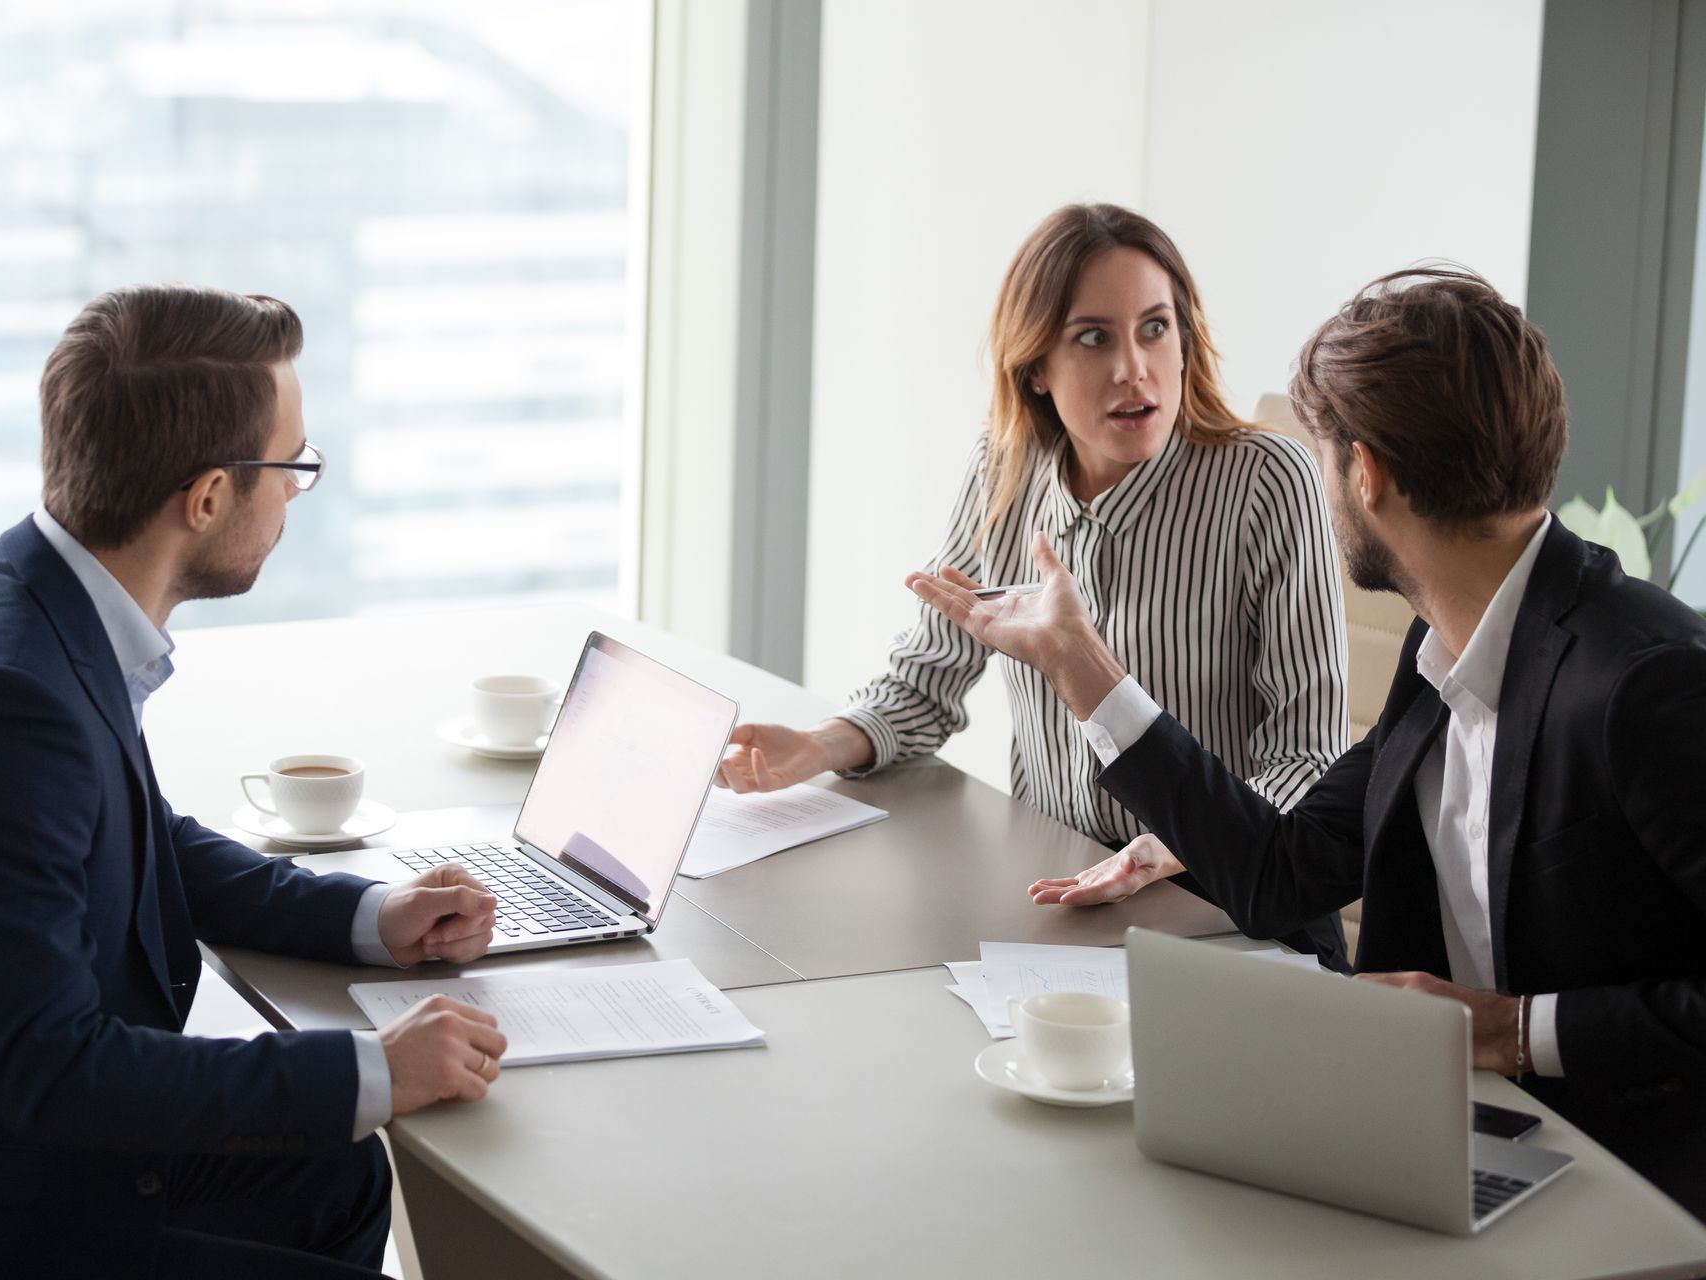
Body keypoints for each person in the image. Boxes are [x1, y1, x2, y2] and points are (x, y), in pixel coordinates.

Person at [909, 267, 1706, 1218]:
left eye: (1325, 460)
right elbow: (1283, 872)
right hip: (1445, 1138)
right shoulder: (1445, 643)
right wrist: (1083, 669)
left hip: (1630, 1192)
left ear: (1364, 476)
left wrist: (1514, 1031)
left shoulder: (1645, 681)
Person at [0, 285, 511, 1276]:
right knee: (340, 1139)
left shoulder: (27, 598)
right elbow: (56, 1068)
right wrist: (373, 1065)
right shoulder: (0, 706)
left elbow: (139, 833)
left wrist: (365, 915)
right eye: (292, 469)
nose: (296, 495)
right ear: (208, 495)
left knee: (338, 1171)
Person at [718, 203, 1352, 966]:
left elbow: (1306, 761)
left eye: (1155, 328)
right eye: (1093, 338)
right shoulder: (1007, 467)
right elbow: (926, 685)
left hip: (1228, 912)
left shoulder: (1268, 481)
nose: (1133, 369)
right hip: (1062, 901)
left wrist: (1167, 847)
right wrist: (817, 746)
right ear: (1037, 371)